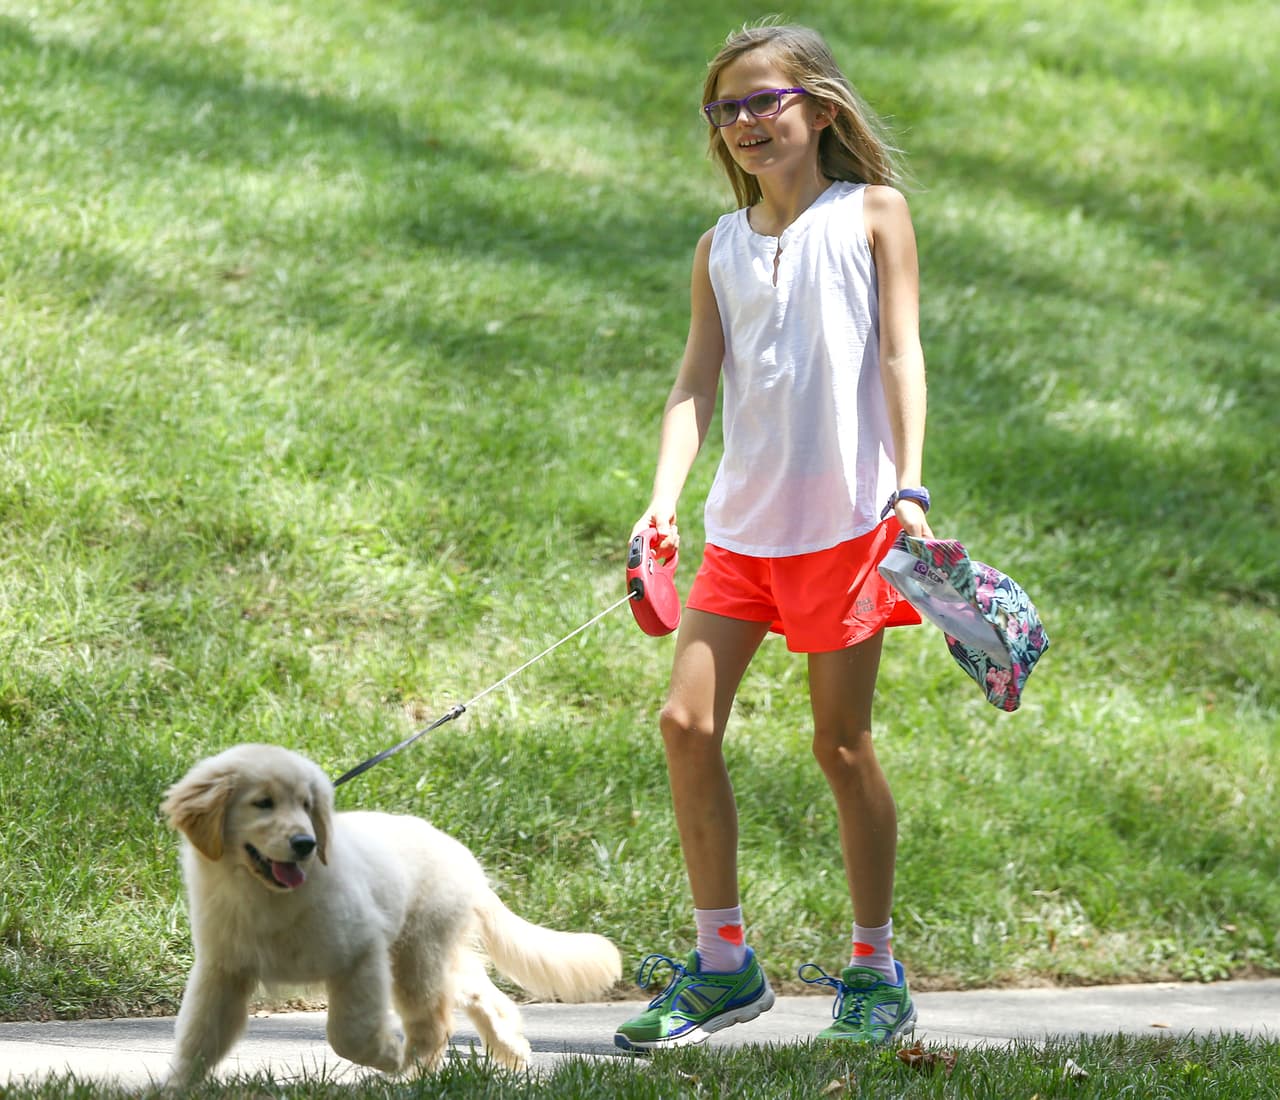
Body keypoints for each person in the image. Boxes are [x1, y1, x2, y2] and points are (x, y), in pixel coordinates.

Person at [614, 21, 934, 1052]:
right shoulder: (719, 245)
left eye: (765, 100)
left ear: (820, 108)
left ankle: (873, 967)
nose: (745, 120)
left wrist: (909, 488)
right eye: (726, 108)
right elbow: (693, 382)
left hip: (846, 526)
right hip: (741, 533)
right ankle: (721, 964)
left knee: (839, 746)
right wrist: (661, 501)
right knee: (682, 723)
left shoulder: (873, 212)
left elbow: (899, 351)